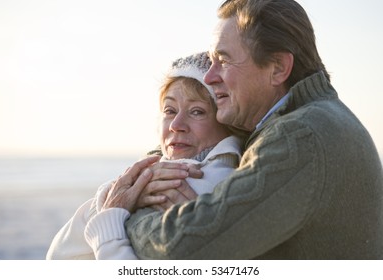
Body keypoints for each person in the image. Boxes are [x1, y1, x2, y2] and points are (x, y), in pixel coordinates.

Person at [99, 0, 383, 259]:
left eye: (223, 60)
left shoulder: (299, 137)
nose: (210, 77)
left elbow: (182, 250)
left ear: (278, 67)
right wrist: (157, 168)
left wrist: (127, 213)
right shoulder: (311, 119)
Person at [46, 52, 243, 259]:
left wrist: (111, 207)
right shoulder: (156, 171)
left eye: (197, 111)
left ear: (227, 122)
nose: (176, 125)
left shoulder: (200, 180)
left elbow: (60, 253)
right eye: (169, 110)